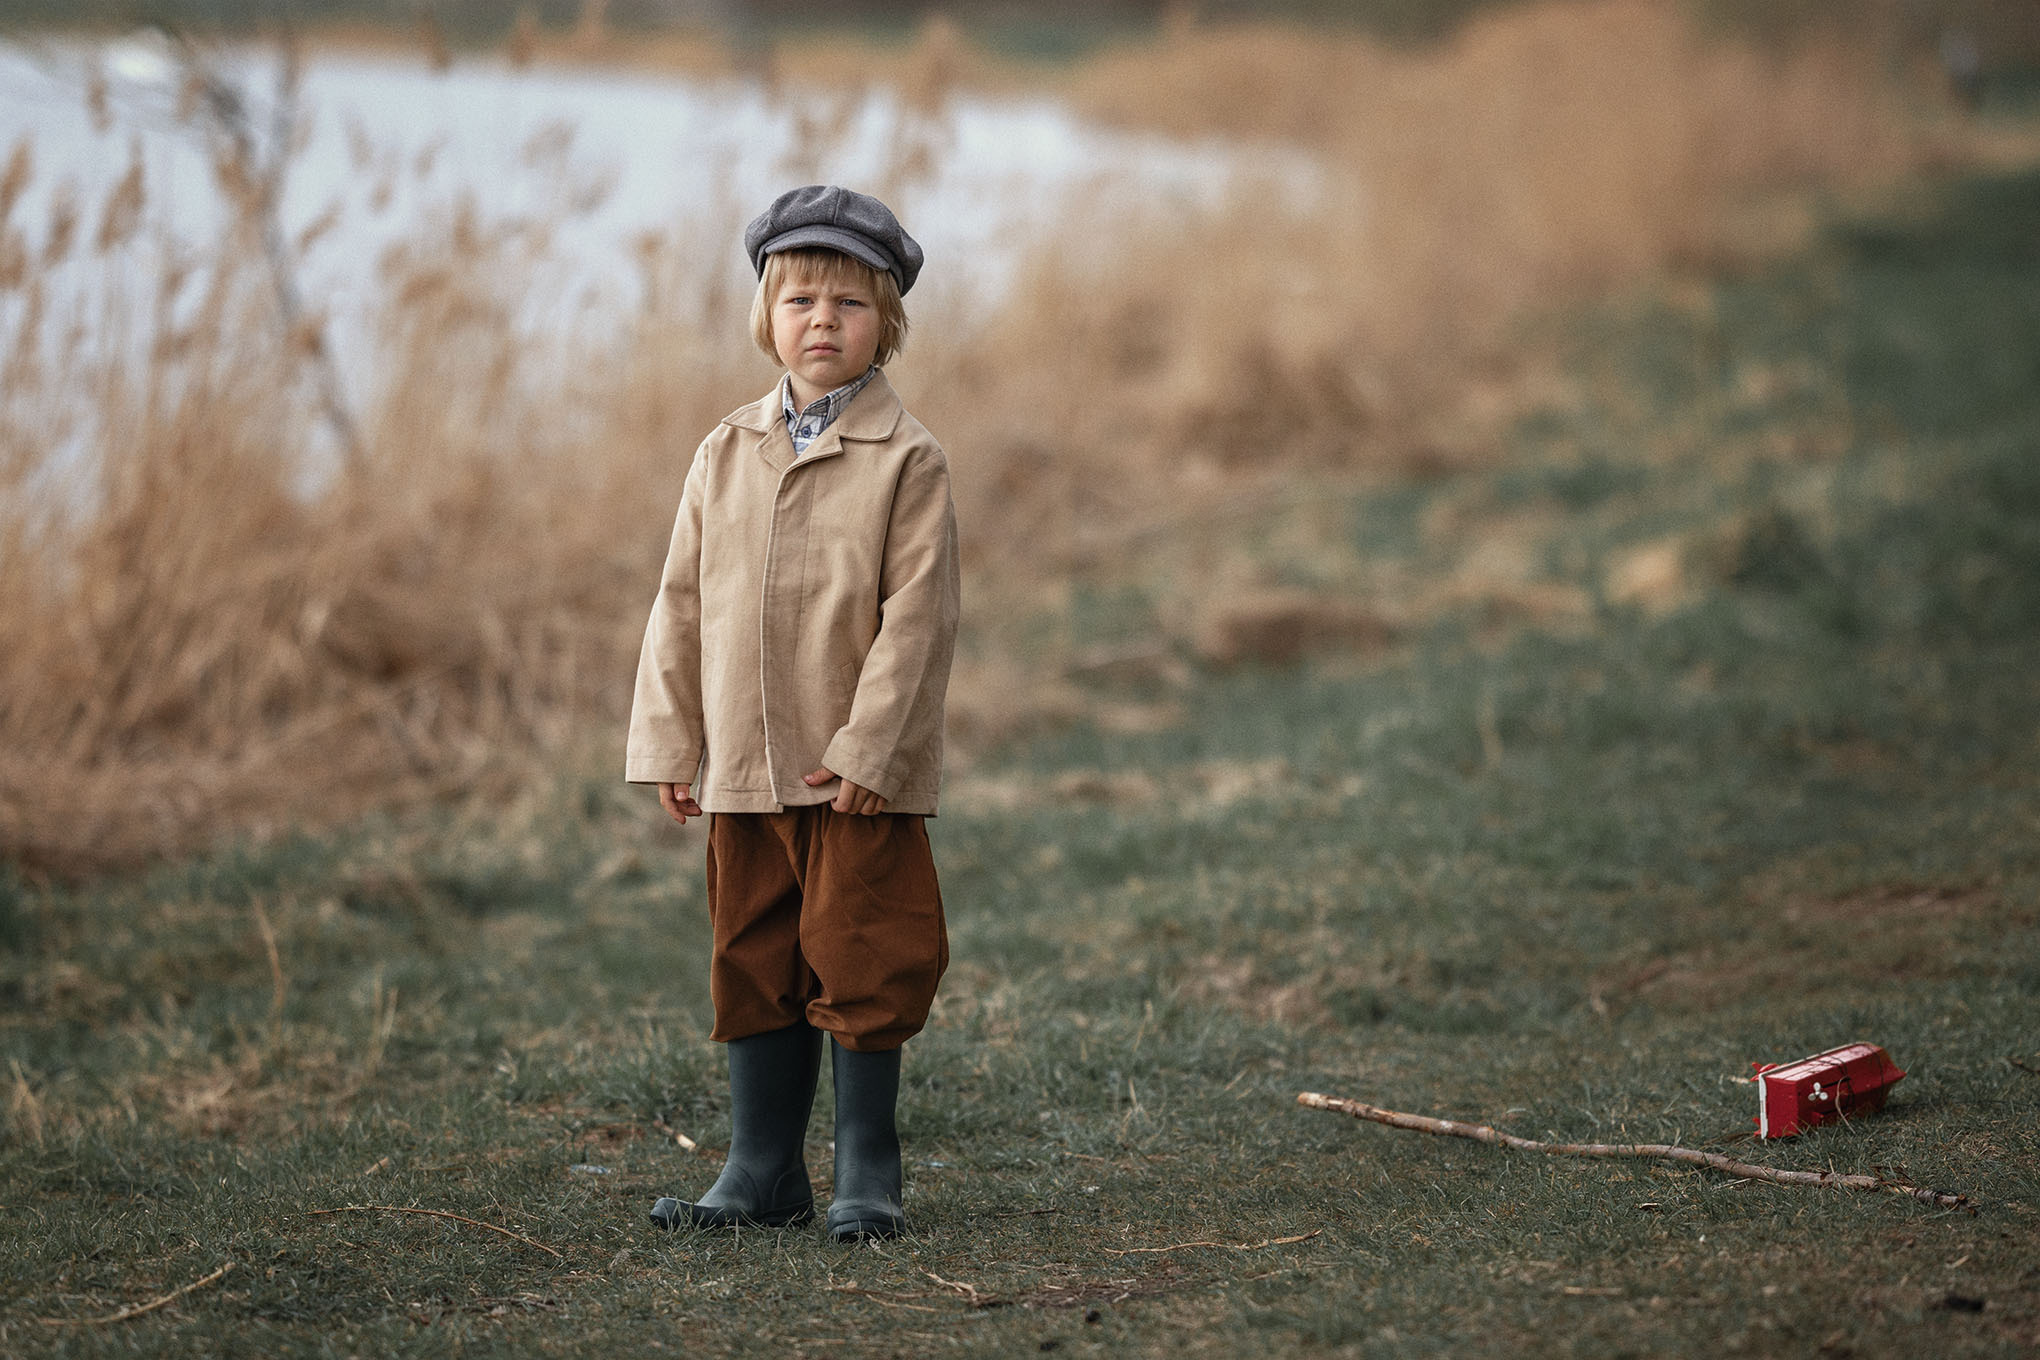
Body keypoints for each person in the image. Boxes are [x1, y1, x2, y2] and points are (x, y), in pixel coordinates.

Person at [625, 184, 959, 1242]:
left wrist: (873, 746)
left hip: (850, 774)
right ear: (766, 317)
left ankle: (868, 1168)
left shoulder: (908, 461)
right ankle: (762, 1168)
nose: (823, 321)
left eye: (850, 305)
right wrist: (675, 739)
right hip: (740, 765)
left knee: (863, 954)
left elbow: (918, 622)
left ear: (887, 325)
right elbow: (678, 601)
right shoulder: (723, 451)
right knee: (754, 954)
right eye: (801, 300)